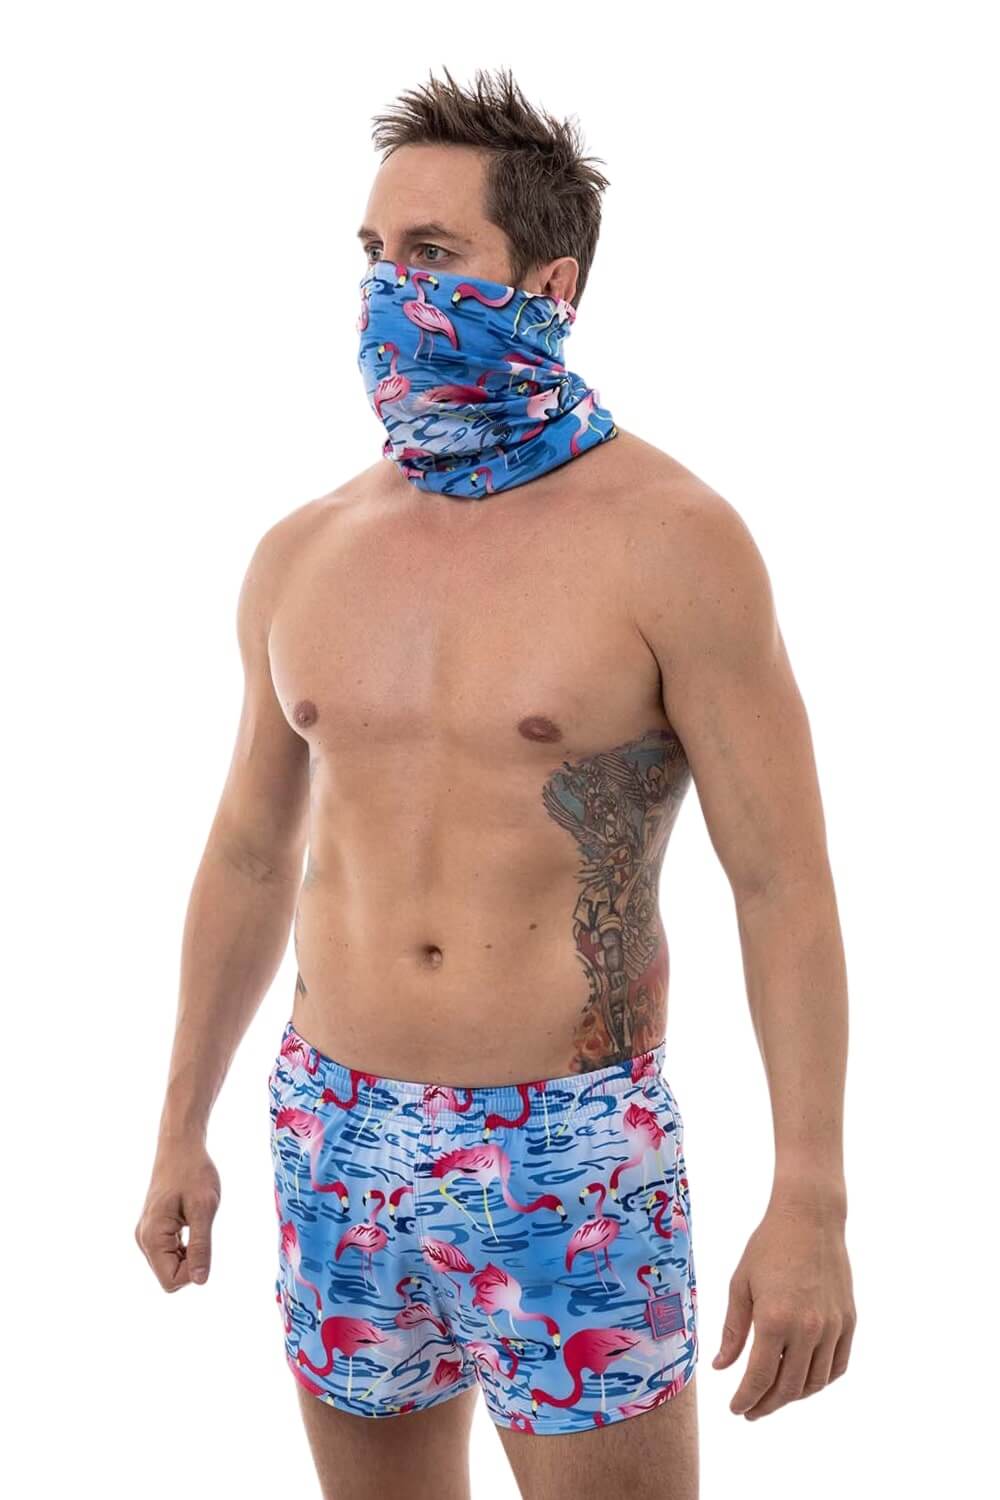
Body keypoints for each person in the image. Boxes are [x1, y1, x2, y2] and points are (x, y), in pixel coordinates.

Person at [135, 65, 855, 1500]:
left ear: (549, 285)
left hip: (565, 1153)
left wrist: (812, 1198)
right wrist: (178, 1127)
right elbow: (251, 854)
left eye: (432, 254)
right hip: (332, 1128)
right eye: (371, 254)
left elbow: (781, 884)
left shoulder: (674, 542)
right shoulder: (306, 549)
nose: (388, 291)